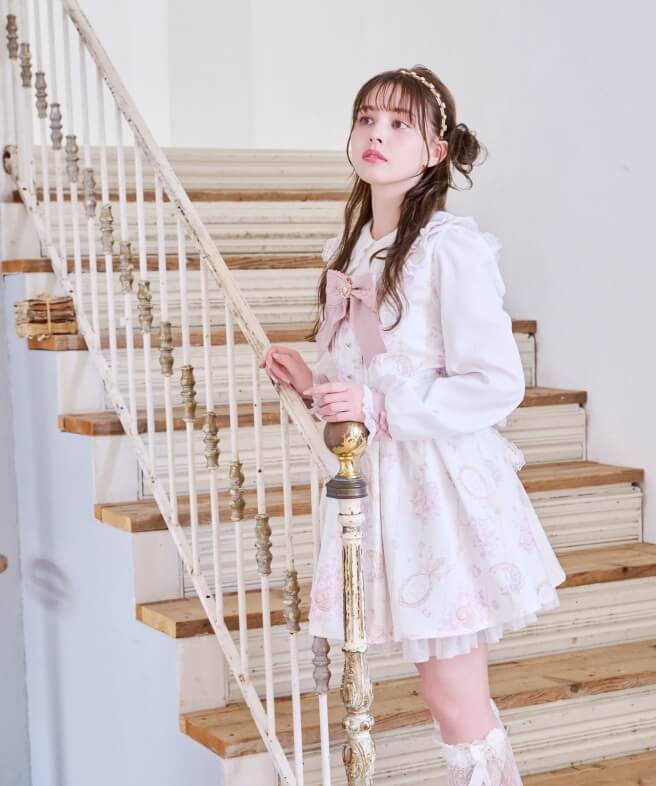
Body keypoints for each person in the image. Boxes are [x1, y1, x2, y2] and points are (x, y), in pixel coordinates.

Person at [259, 64, 567, 785]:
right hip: (380, 486)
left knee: (455, 700)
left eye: (400, 124)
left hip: (438, 491)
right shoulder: (355, 250)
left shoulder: (449, 246)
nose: (378, 133)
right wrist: (314, 385)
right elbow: (368, 376)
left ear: (435, 151)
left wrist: (380, 409)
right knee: (444, 698)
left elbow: (496, 383)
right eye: (367, 118)